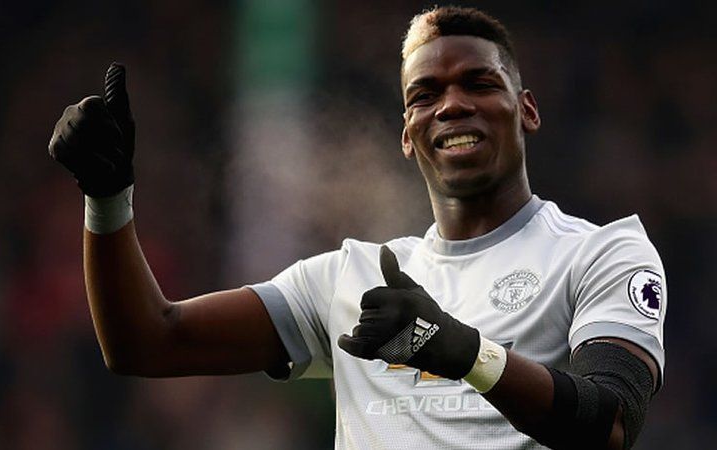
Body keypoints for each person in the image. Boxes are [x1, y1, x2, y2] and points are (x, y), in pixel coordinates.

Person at [48, 6, 666, 450]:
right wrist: (107, 199)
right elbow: (147, 342)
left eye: (479, 83)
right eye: (425, 94)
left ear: (526, 109)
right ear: (407, 134)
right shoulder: (351, 280)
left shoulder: (599, 253)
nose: (452, 104)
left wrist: (465, 353)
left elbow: (609, 425)